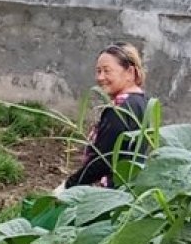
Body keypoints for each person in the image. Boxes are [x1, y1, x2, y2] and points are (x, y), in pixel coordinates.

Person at [64, 43, 149, 189]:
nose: (100, 77)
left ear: (129, 72)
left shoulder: (120, 109)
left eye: (107, 71)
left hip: (110, 191)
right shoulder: (143, 103)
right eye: (98, 71)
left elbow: (103, 159)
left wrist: (70, 185)